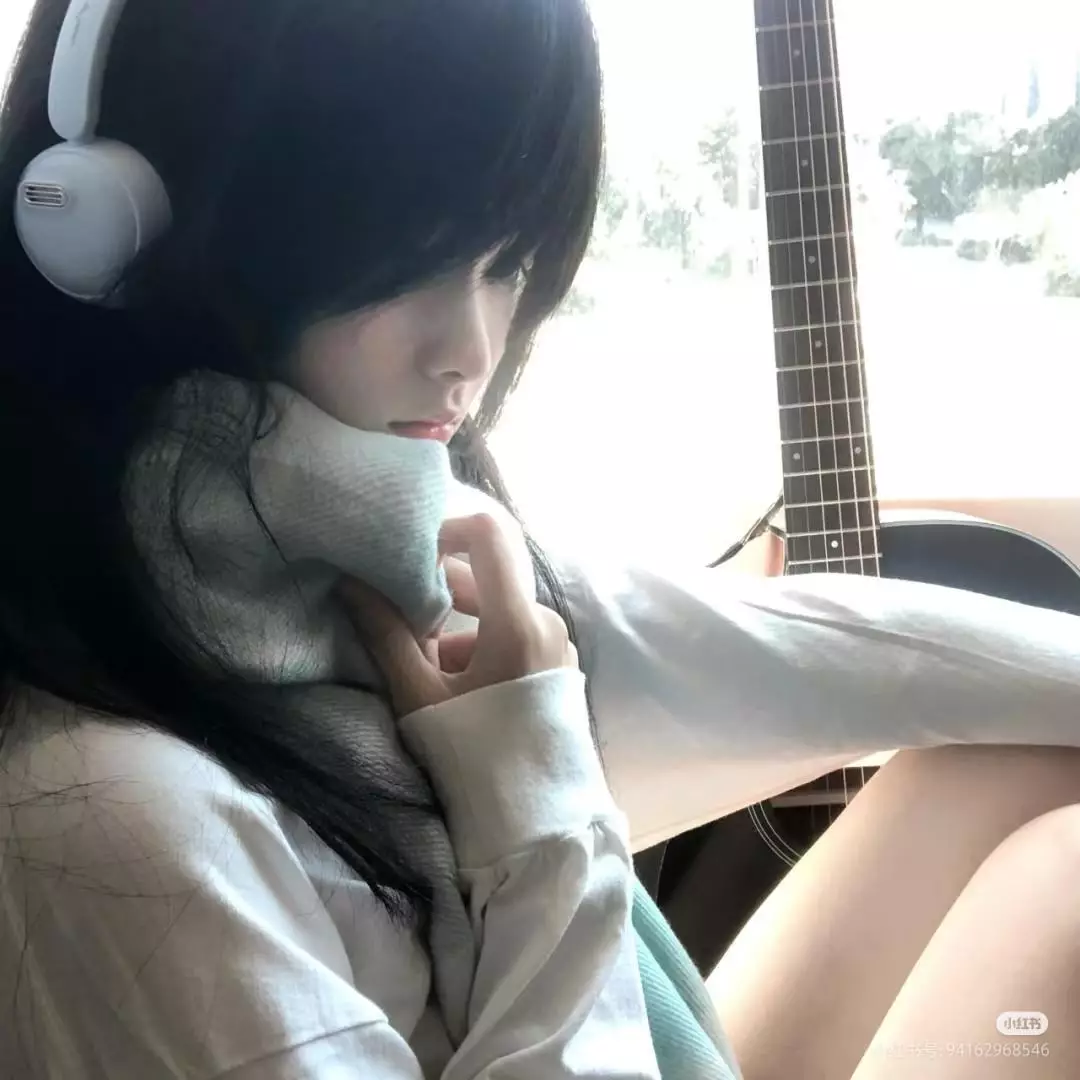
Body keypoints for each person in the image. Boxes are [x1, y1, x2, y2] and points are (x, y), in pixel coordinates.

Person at [2, 2, 1080, 1079]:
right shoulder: (116, 825)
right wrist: (535, 799)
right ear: (110, 226)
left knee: (1025, 766)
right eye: (409, 260)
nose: (470, 352)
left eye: (509, 263)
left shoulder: (352, 576)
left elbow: (824, 645)